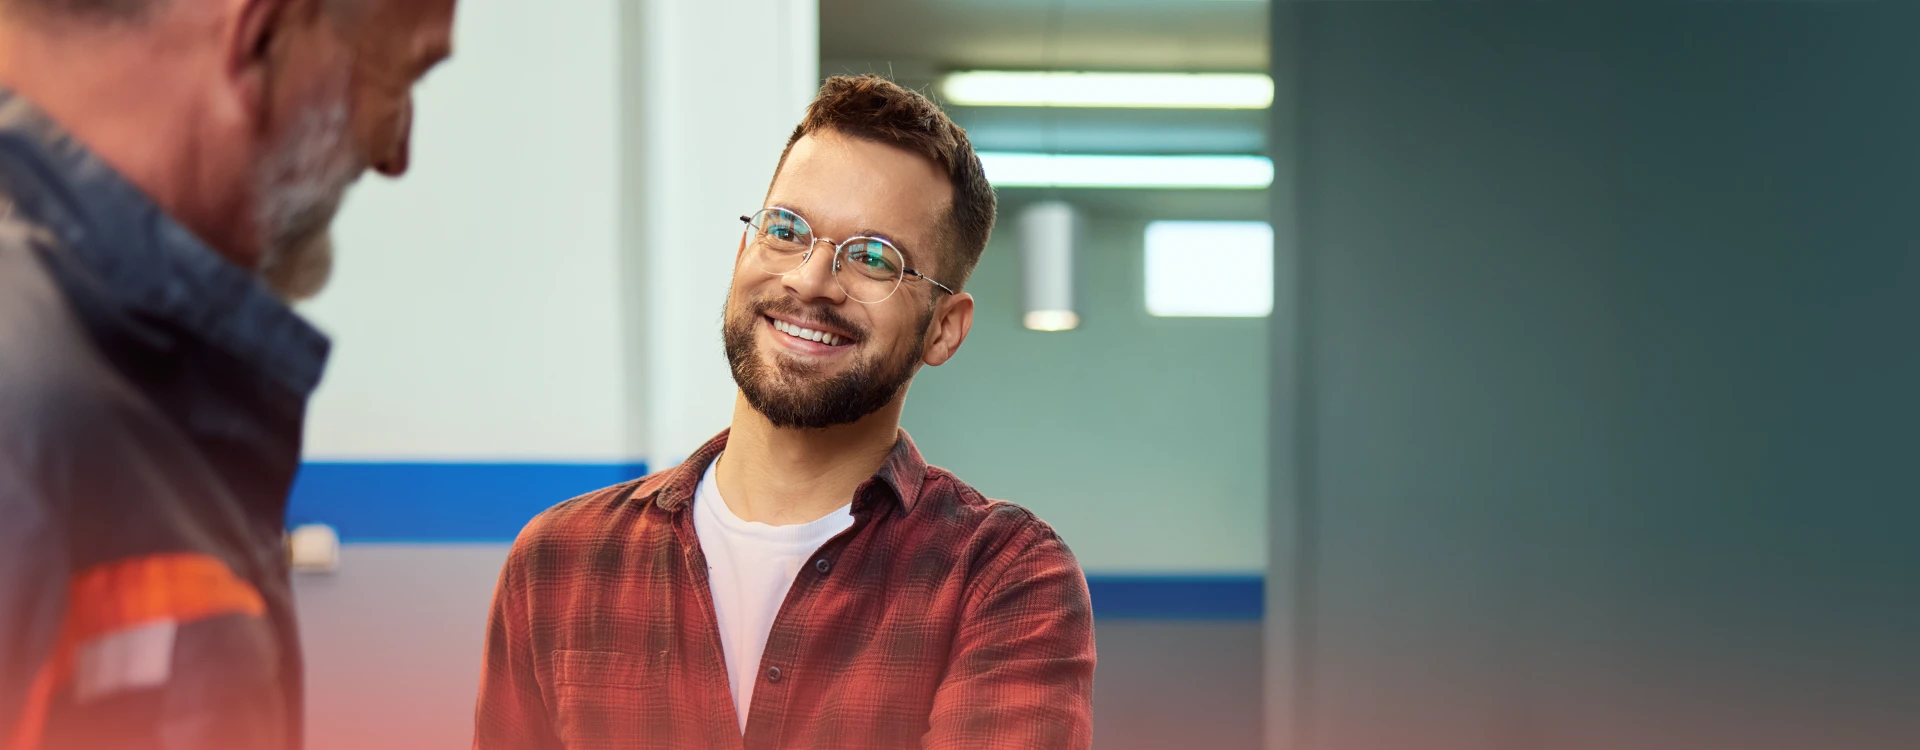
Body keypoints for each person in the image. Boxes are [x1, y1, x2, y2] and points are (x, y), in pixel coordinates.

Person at [472, 74, 1096, 750]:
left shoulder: (1001, 578)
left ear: (944, 327)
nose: (809, 280)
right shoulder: (561, 563)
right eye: (787, 229)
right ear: (745, 250)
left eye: (874, 258)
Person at [0, 0, 456, 747]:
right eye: (400, 77)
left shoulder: (126, 381)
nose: (394, 153)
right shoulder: (28, 406)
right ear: (263, 35)